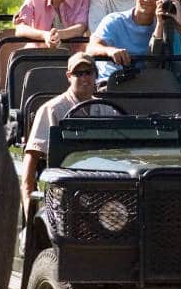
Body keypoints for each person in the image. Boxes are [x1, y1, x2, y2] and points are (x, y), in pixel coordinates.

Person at [20, 52, 116, 203]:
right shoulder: (52, 109)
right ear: (69, 76)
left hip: (104, 185)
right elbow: (32, 156)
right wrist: (28, 201)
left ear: (95, 75)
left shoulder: (107, 110)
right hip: (63, 188)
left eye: (88, 72)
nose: (84, 78)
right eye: (78, 73)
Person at [87, 0, 181, 82]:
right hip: (112, 84)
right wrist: (110, 51)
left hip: (148, 88)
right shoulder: (114, 21)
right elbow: (91, 48)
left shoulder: (166, 26)